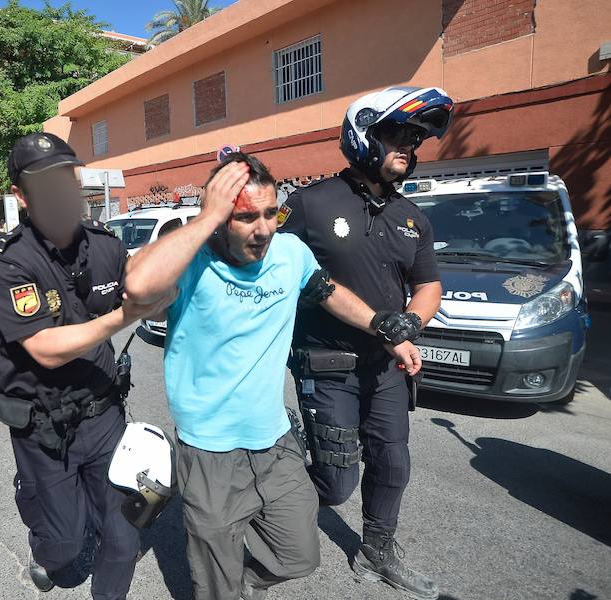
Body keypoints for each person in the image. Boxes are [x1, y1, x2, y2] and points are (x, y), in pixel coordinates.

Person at [124, 153, 420, 600]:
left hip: (275, 441)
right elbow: (139, 286)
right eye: (245, 217)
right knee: (214, 584)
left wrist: (382, 327)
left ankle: (244, 586)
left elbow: (328, 292)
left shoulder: (290, 253)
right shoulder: (192, 262)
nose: (263, 229)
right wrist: (206, 217)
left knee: (300, 554)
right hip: (210, 452)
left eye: (270, 213)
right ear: (221, 217)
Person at [0, 133, 170, 598]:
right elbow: (45, 347)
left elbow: (151, 301)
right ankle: (43, 522)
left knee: (123, 537)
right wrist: (125, 315)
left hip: (104, 414)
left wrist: (165, 291)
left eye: (65, 176)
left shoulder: (107, 246)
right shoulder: (4, 264)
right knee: (64, 547)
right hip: (43, 428)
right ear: (21, 196)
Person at [279, 86, 453, 600]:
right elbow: (274, 275)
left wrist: (409, 326)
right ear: (362, 135)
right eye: (398, 135)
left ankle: (378, 553)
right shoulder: (309, 204)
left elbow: (429, 286)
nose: (409, 146)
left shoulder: (411, 217)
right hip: (327, 363)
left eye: (415, 139)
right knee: (334, 485)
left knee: (393, 461)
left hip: (386, 368)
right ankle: (274, 483)